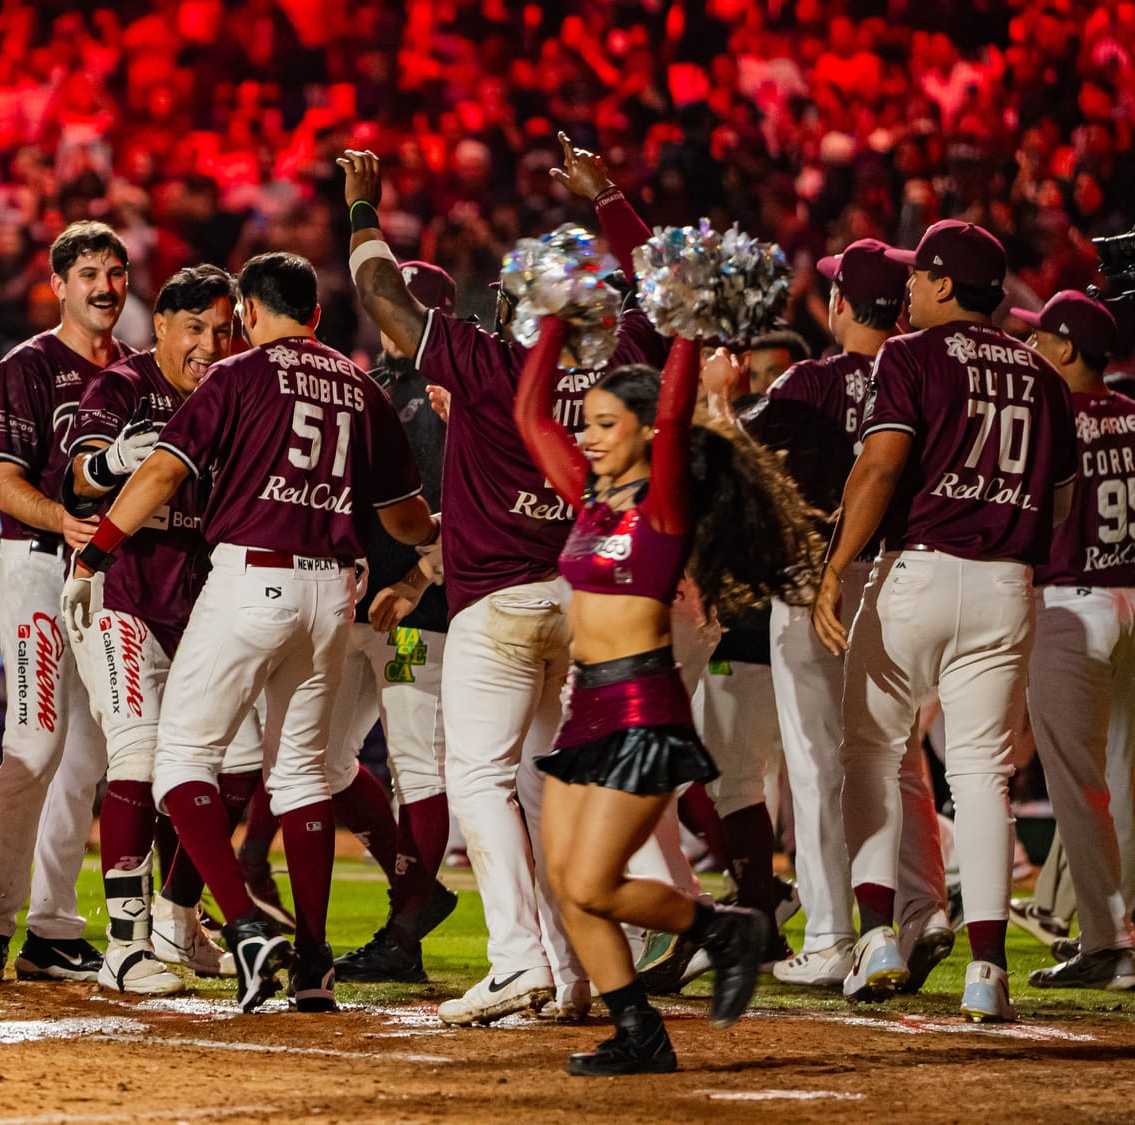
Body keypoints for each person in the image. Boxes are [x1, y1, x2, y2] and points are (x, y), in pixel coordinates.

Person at [338, 141, 669, 1025]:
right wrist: (609, 193)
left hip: (483, 607)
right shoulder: (622, 359)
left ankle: (518, 956)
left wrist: (364, 206)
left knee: (470, 773)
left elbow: (378, 296)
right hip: (584, 596)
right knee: (536, 779)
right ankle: (570, 968)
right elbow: (665, 289)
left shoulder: (486, 365)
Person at [65, 251, 439, 1013]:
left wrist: (95, 548)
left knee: (178, 762)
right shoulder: (360, 384)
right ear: (318, 315)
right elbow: (405, 516)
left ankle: (241, 923)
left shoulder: (237, 374)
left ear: (245, 311)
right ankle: (312, 963)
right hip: (335, 591)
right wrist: (440, 538)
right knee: (304, 774)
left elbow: (165, 473)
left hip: (250, 576)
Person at [517, 318, 819, 1075]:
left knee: (593, 880)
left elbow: (679, 411)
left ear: (648, 432)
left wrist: (682, 329)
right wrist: (552, 317)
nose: (586, 437)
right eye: (585, 423)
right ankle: (640, 1032)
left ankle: (723, 928)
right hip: (584, 705)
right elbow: (528, 416)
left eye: (605, 424)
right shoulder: (588, 499)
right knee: (567, 887)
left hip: (642, 706)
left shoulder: (662, 506)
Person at [814, 220, 1078, 1023]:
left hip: (918, 570)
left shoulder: (909, 354)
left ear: (937, 283)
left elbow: (883, 462)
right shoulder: (1042, 373)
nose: (912, 294)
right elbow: (1062, 503)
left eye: (920, 280)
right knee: (980, 776)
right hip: (1006, 581)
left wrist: (835, 566)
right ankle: (987, 971)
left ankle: (876, 937)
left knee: (869, 753)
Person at [732, 241, 948, 989]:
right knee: (899, 756)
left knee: (819, 761)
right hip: (901, 574)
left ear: (844, 306)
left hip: (816, 580)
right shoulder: (925, 372)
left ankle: (828, 933)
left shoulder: (813, 379)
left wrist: (713, 404)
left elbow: (739, 456)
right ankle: (926, 906)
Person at [59, 263, 258, 994]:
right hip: (116, 592)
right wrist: (114, 459)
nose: (210, 342)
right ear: (163, 327)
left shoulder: (235, 392)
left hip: (196, 606)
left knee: (237, 762)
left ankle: (178, 913)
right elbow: (75, 475)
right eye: (195, 327)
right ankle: (122, 945)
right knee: (138, 755)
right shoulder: (123, 385)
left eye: (223, 328)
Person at [0, 221, 129, 985]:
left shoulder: (136, 370)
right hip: (37, 564)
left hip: (108, 573)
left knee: (90, 757)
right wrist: (62, 519)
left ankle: (54, 928)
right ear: (58, 284)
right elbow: (3, 482)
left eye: (116, 272)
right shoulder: (25, 367)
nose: (105, 286)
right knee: (33, 743)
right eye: (89, 272)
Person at [320, 260, 459, 985]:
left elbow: (457, 506)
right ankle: (419, 891)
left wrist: (413, 578)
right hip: (365, 604)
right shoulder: (378, 388)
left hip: (416, 613)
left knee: (415, 763)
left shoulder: (446, 395)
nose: (382, 313)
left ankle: (405, 930)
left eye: (396, 302)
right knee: (323, 756)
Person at [1009, 291, 1135, 990]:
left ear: (1064, 349)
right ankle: (1116, 933)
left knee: (1083, 786)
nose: (1032, 350)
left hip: (1072, 601)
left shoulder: (1051, 416)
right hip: (1132, 597)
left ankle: (1108, 943)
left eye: (1040, 340)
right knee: (1122, 779)